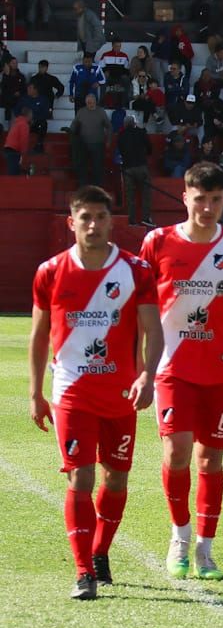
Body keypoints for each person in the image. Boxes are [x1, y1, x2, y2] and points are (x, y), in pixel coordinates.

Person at [139, 162, 223, 580]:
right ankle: (179, 538)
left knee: (210, 458)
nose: (208, 208)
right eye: (200, 199)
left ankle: (205, 548)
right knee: (177, 450)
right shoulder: (157, 243)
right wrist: (139, 367)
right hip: (171, 367)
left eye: (216, 200)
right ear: (185, 198)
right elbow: (138, 306)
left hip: (219, 370)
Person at [29, 185, 162, 600]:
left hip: (121, 394)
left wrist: (147, 376)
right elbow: (38, 336)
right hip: (72, 393)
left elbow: (153, 329)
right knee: (81, 476)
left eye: (100, 217)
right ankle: (83, 570)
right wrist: (35, 393)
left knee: (116, 478)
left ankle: (101, 551)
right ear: (72, 223)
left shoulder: (136, 270)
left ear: (111, 222)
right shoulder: (51, 272)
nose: (93, 225)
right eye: (85, 218)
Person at [116, 114, 153, 226]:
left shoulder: (121, 135)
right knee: (146, 193)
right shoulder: (141, 132)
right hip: (141, 165)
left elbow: (120, 151)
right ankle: (146, 217)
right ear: (135, 124)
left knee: (130, 195)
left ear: (124, 125)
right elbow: (149, 148)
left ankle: (131, 220)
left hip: (128, 168)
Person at [69, 94, 110, 186]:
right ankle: (83, 186)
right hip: (83, 144)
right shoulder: (81, 111)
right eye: (88, 103)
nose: (90, 104)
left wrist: (109, 140)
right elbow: (74, 124)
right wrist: (72, 134)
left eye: (91, 102)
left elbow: (109, 126)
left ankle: (97, 187)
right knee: (82, 166)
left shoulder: (101, 111)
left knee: (97, 167)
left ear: (95, 102)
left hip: (98, 144)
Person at [4, 107, 31, 175]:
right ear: (28, 115)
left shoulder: (17, 123)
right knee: (14, 172)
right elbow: (23, 140)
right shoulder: (24, 124)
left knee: (13, 170)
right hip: (14, 150)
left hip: (8, 148)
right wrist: (24, 153)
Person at [2, 56, 28, 122]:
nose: (15, 64)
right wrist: (7, 76)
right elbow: (4, 88)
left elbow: (24, 88)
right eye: (13, 63)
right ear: (9, 64)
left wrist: (19, 92)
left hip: (18, 101)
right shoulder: (4, 76)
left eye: (16, 63)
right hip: (7, 101)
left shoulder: (21, 76)